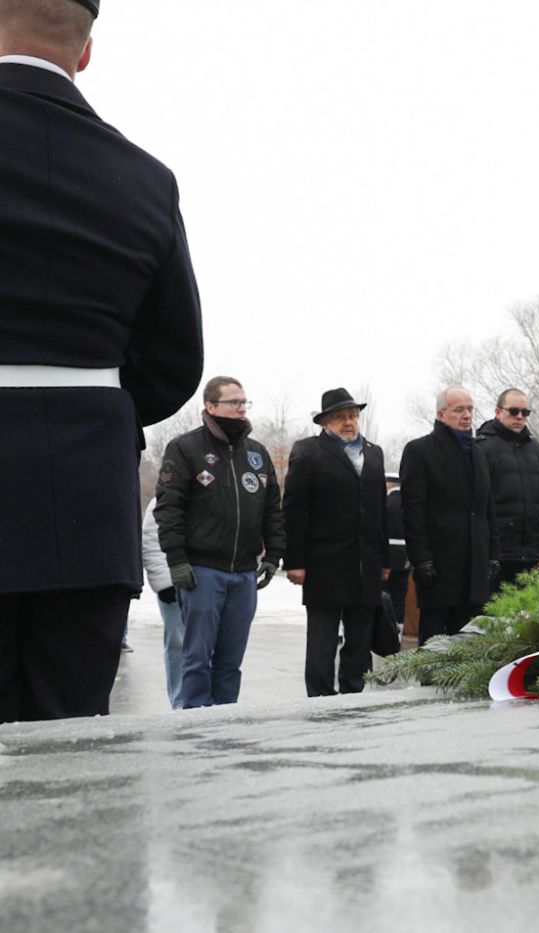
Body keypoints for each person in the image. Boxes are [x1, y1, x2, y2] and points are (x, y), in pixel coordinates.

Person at [0, 0, 204, 723]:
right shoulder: (145, 177)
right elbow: (174, 360)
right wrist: (85, 409)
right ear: (85, 51)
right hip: (85, 506)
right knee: (69, 753)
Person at [155, 377, 285, 708]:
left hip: (243, 573)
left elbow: (272, 509)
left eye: (244, 402)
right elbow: (169, 509)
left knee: (230, 661)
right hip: (202, 572)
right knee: (197, 657)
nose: (242, 408)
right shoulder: (185, 448)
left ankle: (226, 722)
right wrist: (176, 559)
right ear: (211, 406)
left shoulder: (256, 453)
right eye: (233, 402)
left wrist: (274, 555)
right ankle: (195, 722)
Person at [283, 389, 391, 697]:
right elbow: (294, 509)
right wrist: (294, 561)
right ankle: (319, 698)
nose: (348, 422)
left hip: (365, 562)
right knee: (323, 639)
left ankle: (352, 692)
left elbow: (380, 510)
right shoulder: (309, 451)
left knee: (359, 639)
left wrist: (384, 560)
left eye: (353, 416)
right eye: (340, 417)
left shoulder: (373, 453)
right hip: (324, 562)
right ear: (325, 422)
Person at [399, 387, 498, 644]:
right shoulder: (420, 450)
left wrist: (491, 554)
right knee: (435, 645)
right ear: (441, 414)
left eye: (470, 409)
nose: (467, 415)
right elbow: (413, 511)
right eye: (459, 410)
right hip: (439, 566)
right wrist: (421, 559)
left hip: (474, 567)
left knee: (468, 644)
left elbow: (487, 509)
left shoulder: (479, 453)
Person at [475, 388, 539, 588]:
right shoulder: (481, 448)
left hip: (533, 555)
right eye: (513, 411)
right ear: (498, 412)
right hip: (496, 555)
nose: (520, 417)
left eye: (525, 412)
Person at [140, 499, 185, 708]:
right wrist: (164, 581)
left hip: (207, 580)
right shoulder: (164, 498)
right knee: (178, 643)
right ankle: (181, 701)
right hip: (174, 583)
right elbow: (151, 539)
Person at [384, 472, 409, 630]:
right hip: (405, 554)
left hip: (387, 553)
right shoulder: (408, 503)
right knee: (399, 595)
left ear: (389, 484)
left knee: (384, 593)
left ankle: (384, 629)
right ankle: (398, 629)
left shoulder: (384, 502)